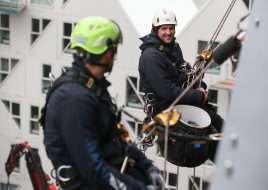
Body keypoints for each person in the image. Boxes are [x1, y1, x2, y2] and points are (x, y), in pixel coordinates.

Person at [41, 16, 162, 190]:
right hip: (89, 183)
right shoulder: (74, 99)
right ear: (107, 54)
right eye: (114, 50)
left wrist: (147, 166)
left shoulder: (90, 86)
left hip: (110, 170)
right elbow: (94, 170)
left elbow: (114, 137)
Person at [138, 8, 224, 162]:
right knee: (212, 133)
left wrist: (200, 86)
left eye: (171, 28)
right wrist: (198, 95)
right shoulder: (151, 57)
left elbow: (186, 73)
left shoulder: (172, 48)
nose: (168, 32)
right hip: (167, 106)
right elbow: (167, 91)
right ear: (156, 30)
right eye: (164, 28)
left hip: (181, 100)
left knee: (220, 125)